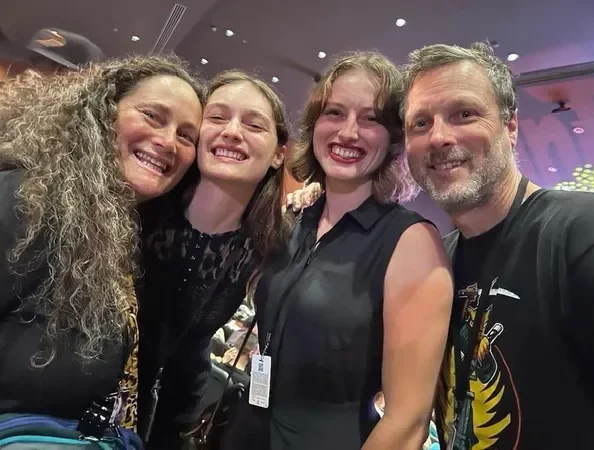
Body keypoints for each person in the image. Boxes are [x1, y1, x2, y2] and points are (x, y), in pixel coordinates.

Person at [225, 52, 454, 450]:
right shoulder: (296, 220)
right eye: (334, 113)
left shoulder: (410, 241)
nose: (348, 132)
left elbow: (407, 424)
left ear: (393, 139)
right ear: (314, 125)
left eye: (370, 119)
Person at [400, 42, 594, 450]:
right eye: (420, 123)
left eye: (464, 114)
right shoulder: (436, 261)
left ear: (510, 127)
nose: (438, 137)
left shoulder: (583, 234)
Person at [0, 55, 204, 432]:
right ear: (102, 112)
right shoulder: (26, 202)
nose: (167, 142)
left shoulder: (120, 233)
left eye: (186, 136)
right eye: (152, 116)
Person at [136, 70, 294, 448]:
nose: (232, 132)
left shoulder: (274, 242)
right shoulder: (145, 204)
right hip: (87, 404)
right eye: (218, 117)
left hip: (176, 420)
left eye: (253, 124)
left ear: (278, 154)